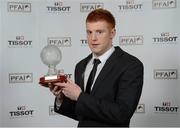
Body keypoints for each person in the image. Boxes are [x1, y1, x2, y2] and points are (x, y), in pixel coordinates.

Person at [49, 8, 144, 127]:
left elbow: (122, 113)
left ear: (112, 33)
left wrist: (79, 96)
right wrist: (61, 98)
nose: (93, 38)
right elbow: (82, 113)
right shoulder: (81, 66)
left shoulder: (131, 65)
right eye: (89, 32)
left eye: (99, 32)